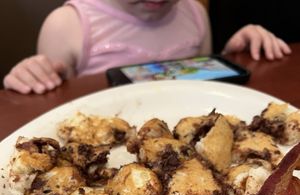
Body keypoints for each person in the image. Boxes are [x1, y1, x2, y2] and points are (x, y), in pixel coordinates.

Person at [3, 0, 291, 95]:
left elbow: (197, 81)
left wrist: (229, 56)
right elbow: (50, 100)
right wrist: (34, 74)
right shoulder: (67, 25)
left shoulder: (194, 13)